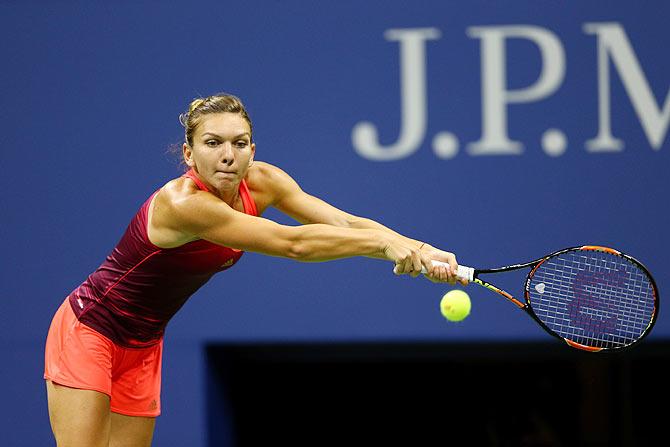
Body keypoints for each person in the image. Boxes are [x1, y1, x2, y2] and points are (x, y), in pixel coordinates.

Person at [44, 93, 464, 446]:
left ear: (253, 150)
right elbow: (293, 243)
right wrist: (384, 245)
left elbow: (345, 223)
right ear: (189, 154)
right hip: (89, 329)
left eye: (239, 143)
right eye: (213, 143)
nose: (228, 155)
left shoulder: (264, 182)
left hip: (144, 343)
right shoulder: (184, 204)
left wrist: (420, 250)